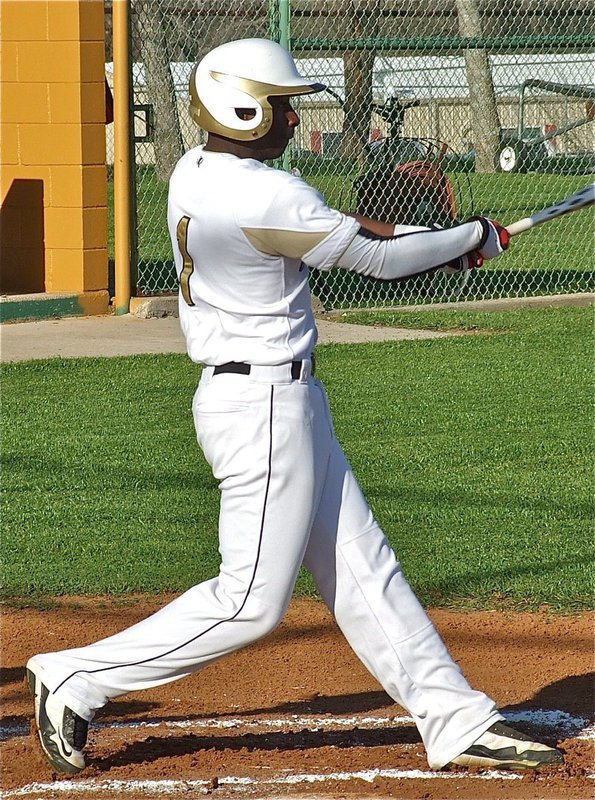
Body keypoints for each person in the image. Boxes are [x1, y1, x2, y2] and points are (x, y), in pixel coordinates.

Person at [26, 38, 563, 776]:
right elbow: (373, 259)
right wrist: (469, 237)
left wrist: (444, 243)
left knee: (361, 568)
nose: (289, 115)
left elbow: (346, 233)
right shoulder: (262, 192)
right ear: (242, 107)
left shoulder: (199, 171)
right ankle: (77, 676)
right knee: (248, 601)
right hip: (262, 407)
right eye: (281, 104)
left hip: (276, 397)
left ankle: (454, 719)